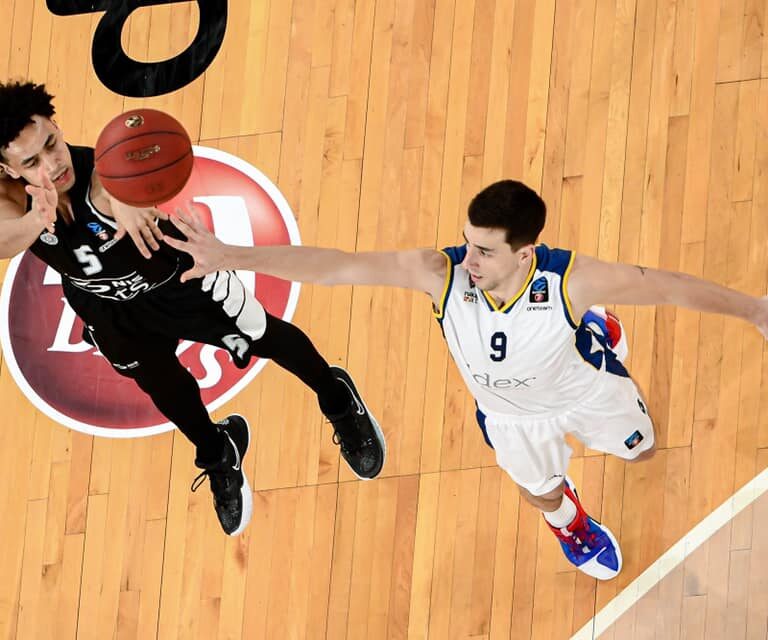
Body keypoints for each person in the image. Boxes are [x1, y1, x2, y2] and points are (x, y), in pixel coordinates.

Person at [165, 179, 768, 579]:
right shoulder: (442, 275)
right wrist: (232, 256)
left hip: (585, 393)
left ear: (524, 253)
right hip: (511, 419)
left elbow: (669, 287)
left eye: (483, 251)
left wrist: (756, 311)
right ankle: (573, 526)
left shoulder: (569, 279)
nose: (467, 259)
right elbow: (336, 267)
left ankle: (592, 331)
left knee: (643, 453)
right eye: (467, 242)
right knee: (542, 494)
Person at [0, 81, 385, 537]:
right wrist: (37, 219)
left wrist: (126, 198)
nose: (52, 164)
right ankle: (218, 452)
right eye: (32, 162)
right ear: (7, 169)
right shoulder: (13, 199)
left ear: (57, 126)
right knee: (167, 391)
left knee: (266, 337)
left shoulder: (108, 176)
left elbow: (124, 180)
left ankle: (336, 396)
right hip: (110, 310)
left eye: (51, 143)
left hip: (178, 283)